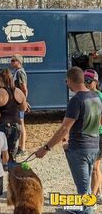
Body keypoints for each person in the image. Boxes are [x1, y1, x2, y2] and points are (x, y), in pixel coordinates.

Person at [35, 66, 102, 214]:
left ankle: (85, 211)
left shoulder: (76, 100)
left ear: (71, 80)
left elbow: (64, 128)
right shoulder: (96, 96)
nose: (67, 84)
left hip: (80, 149)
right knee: (86, 187)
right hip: (94, 146)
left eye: (66, 81)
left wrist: (46, 148)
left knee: (84, 190)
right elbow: (96, 122)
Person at [0, 68, 27, 164]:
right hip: (16, 125)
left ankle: (1, 169)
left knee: (0, 153)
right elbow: (23, 108)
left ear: (0, 80)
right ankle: (11, 169)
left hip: (2, 125)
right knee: (11, 153)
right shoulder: (19, 92)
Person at [84, 69, 102, 204]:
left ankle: (92, 199)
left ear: (96, 82)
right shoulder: (84, 95)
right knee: (95, 167)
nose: (87, 83)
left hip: (98, 135)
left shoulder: (99, 96)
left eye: (89, 81)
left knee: (94, 167)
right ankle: (98, 193)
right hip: (89, 135)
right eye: (84, 81)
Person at [11, 54, 28, 155]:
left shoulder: (20, 73)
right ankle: (19, 147)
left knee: (21, 124)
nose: (11, 62)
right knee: (18, 123)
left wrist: (23, 101)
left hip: (19, 102)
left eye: (13, 60)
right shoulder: (16, 72)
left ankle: (23, 148)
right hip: (17, 101)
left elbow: (24, 88)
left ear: (19, 62)